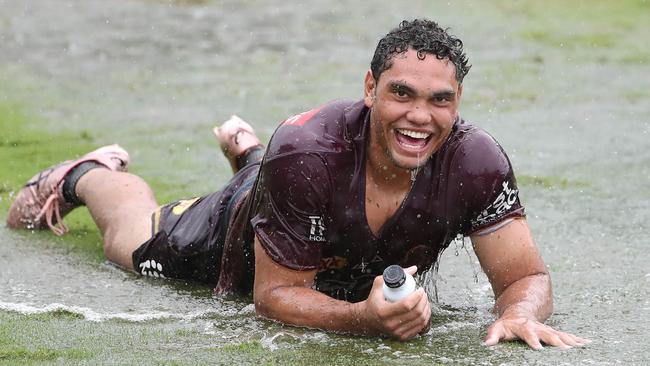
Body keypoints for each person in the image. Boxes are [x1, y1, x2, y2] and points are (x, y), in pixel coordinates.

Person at [6, 19, 588, 349]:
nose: (420, 116)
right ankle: (88, 174)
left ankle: (253, 158)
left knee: (287, 183)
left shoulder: (475, 160)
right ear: (370, 88)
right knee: (131, 243)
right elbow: (273, 297)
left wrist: (520, 312)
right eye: (401, 93)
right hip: (245, 220)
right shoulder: (311, 153)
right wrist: (363, 319)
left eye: (440, 100)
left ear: (458, 103)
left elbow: (525, 277)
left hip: (298, 189)